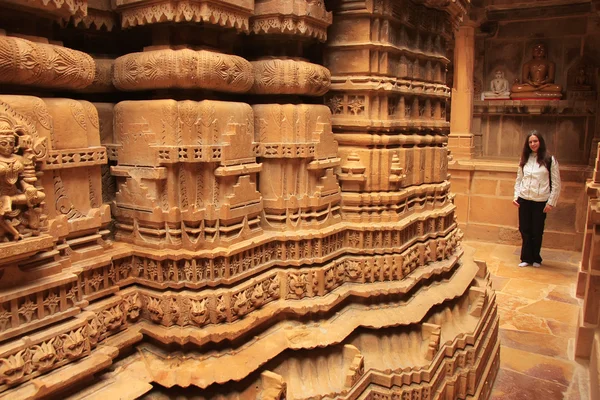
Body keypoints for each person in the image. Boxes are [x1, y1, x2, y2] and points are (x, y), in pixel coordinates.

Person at [513, 130, 561, 267]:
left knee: (537, 230)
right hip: (525, 198)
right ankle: (526, 258)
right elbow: (519, 179)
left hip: (540, 201)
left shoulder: (549, 160)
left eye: (535, 141)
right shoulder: (524, 159)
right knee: (524, 229)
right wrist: (516, 196)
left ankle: (536, 258)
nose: (533, 144)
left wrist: (551, 202)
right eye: (530, 142)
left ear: (540, 142)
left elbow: (556, 183)